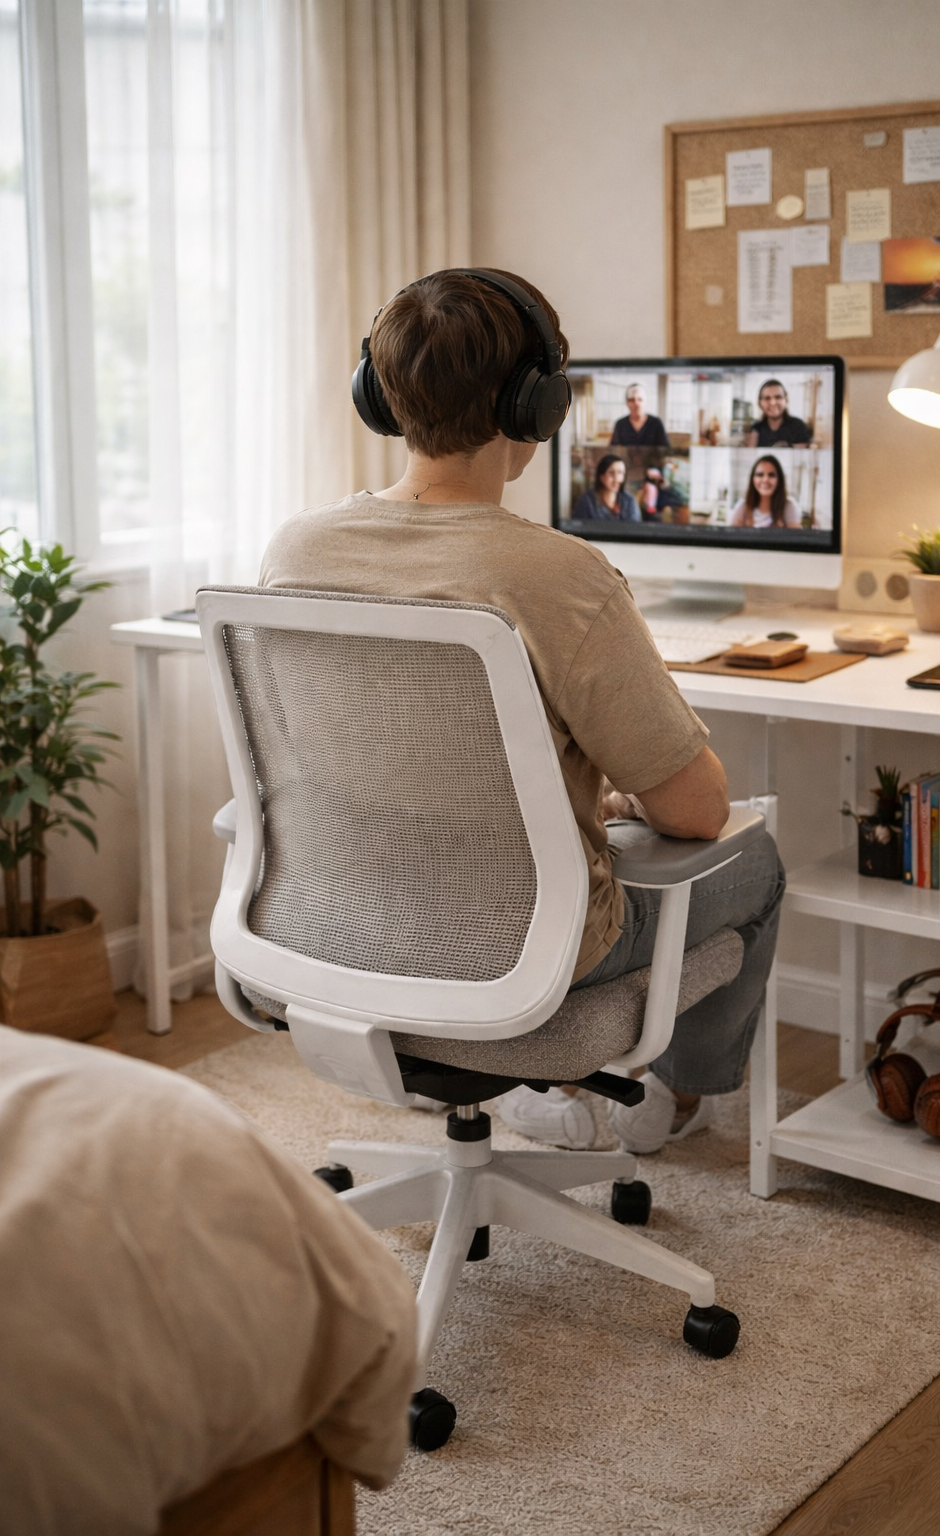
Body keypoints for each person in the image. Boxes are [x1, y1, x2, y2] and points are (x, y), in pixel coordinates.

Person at [260, 268, 784, 1155]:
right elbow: (696, 814)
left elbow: (348, 757)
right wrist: (620, 799)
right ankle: (675, 1096)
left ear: (378, 395)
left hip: (336, 921)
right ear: (536, 406)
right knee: (756, 858)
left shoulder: (294, 549)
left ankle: (517, 1086)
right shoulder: (558, 577)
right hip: (521, 951)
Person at [730, 455, 802, 529]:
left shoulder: (788, 506)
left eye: (771, 475)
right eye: (760, 475)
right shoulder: (742, 506)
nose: (765, 480)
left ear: (779, 480)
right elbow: (730, 534)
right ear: (752, 479)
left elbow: (796, 535)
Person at [572, 454, 642, 522]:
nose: (616, 478)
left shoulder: (629, 501)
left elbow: (635, 527)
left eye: (620, 473)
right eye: (611, 473)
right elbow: (577, 526)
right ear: (601, 476)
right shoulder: (587, 501)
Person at [744, 379, 812, 448]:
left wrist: (787, 447)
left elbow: (804, 448)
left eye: (778, 397)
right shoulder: (755, 429)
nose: (773, 403)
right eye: (767, 398)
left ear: (786, 400)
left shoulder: (798, 426)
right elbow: (750, 451)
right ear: (760, 403)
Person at [609, 383, 670, 447]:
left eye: (640, 399)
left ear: (645, 401)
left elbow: (665, 449)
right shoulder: (620, 424)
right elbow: (614, 449)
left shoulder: (656, 423)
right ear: (627, 403)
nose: (636, 403)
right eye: (632, 400)